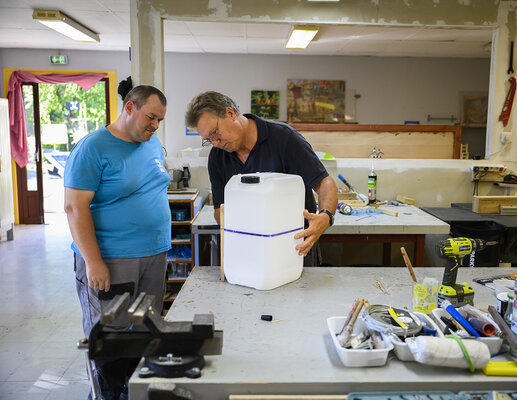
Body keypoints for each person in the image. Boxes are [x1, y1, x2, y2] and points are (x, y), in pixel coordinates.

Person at [64, 85, 169, 400]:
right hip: (112, 259)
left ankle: (133, 392)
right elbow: (74, 208)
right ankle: (108, 395)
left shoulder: (152, 144)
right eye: (151, 117)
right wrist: (94, 262)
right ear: (130, 108)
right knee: (111, 335)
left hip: (154, 255)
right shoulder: (93, 148)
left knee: (147, 330)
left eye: (160, 120)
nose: (155, 126)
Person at [185, 91, 337, 266]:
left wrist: (325, 217)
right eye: (209, 139)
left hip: (295, 248)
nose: (216, 143)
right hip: (250, 251)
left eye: (215, 132)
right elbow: (221, 210)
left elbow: (324, 182)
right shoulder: (217, 157)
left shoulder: (284, 139)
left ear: (230, 113)